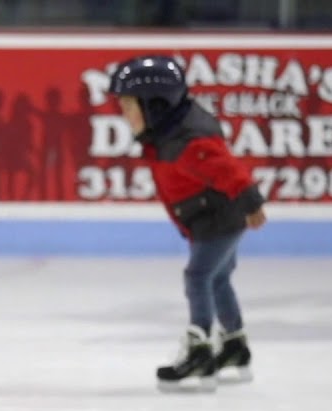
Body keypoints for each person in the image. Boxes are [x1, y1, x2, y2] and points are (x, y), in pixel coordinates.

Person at [109, 55, 266, 393]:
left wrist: (251, 201)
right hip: (210, 217)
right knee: (218, 280)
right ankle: (235, 347)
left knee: (198, 278)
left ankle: (199, 352)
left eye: (128, 106)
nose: (124, 115)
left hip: (217, 220)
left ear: (155, 106)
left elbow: (229, 169)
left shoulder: (188, 141)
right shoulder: (167, 134)